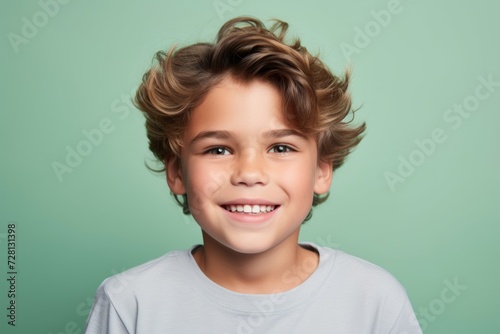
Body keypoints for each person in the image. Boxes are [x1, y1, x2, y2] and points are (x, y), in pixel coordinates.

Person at [84, 16, 422, 333]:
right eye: (218, 149)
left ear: (321, 170)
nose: (249, 173)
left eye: (280, 148)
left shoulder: (375, 302)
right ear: (177, 172)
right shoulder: (129, 304)